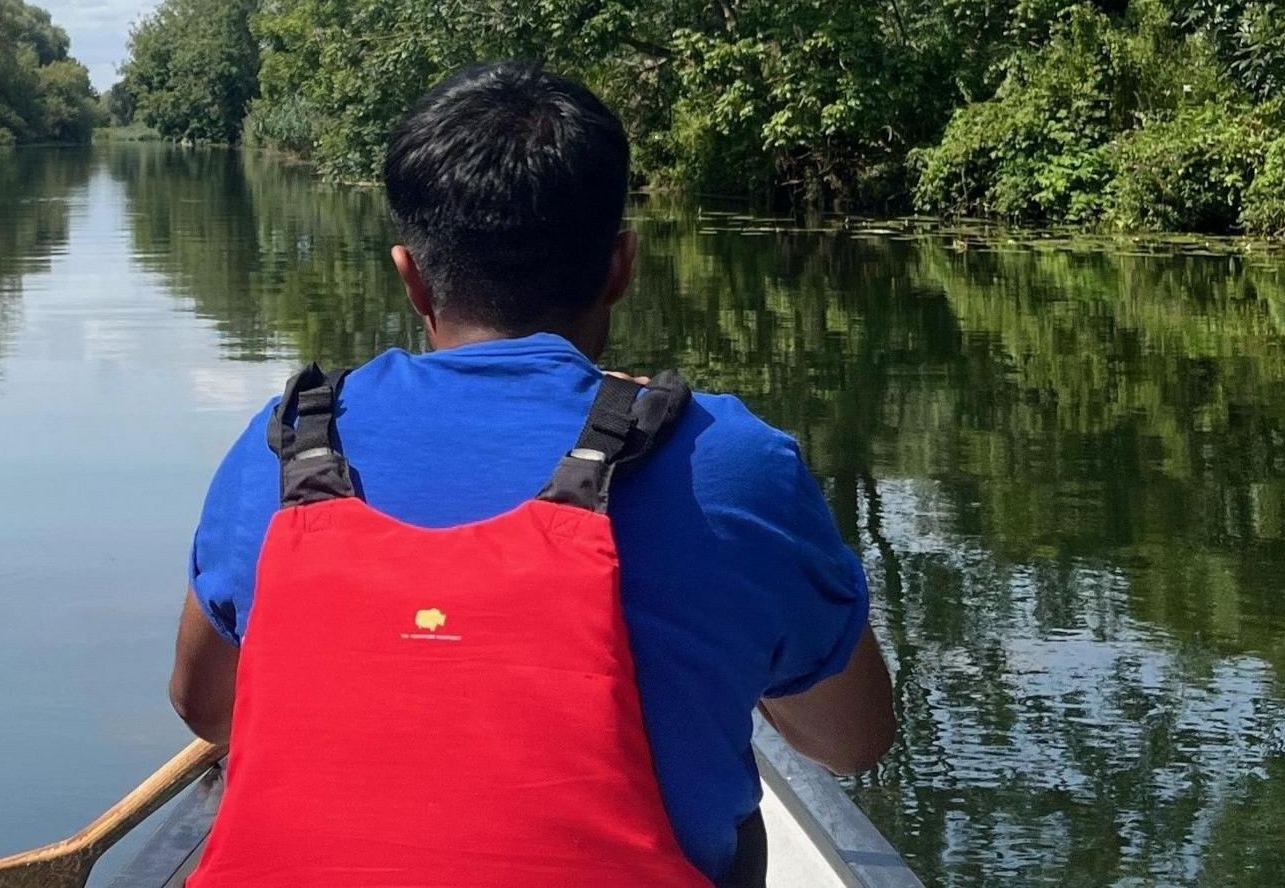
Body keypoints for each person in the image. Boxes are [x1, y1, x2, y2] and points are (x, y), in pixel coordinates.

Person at [168, 62, 894, 887]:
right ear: (621, 265)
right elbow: (850, 740)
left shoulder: (284, 446)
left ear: (411, 277)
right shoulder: (730, 464)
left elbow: (207, 707)